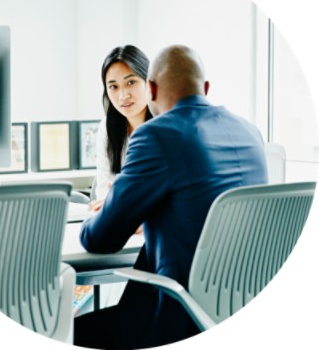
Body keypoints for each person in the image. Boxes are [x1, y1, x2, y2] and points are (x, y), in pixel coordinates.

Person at [75, 45, 268, 349]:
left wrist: (97, 216)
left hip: (179, 312)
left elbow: (101, 239)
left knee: (66, 330)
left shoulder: (155, 135)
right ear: (205, 88)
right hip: (239, 308)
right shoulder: (251, 132)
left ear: (150, 88)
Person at [90, 45, 153, 211]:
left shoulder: (165, 127)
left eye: (131, 82)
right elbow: (103, 188)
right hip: (120, 218)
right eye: (113, 86)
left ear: (148, 82)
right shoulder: (107, 127)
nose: (123, 96)